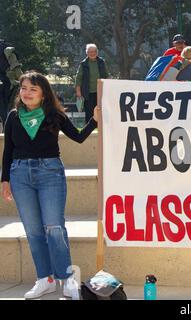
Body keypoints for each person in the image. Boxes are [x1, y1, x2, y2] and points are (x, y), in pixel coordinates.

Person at [1, 71, 100, 299]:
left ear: (44, 94)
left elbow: (78, 137)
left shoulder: (54, 115)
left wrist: (94, 119)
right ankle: (44, 279)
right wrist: (5, 179)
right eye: (24, 88)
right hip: (20, 175)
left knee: (54, 228)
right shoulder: (13, 117)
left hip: (50, 174)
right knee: (33, 231)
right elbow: (8, 151)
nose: (26, 93)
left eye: (33, 89)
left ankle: (66, 279)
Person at [75, 43, 108, 124]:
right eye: (90, 52)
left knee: (100, 111)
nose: (92, 53)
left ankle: (100, 129)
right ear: (87, 53)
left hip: (100, 92)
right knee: (89, 113)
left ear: (97, 52)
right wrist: (78, 92)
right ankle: (89, 131)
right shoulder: (83, 64)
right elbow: (78, 78)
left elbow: (107, 76)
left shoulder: (101, 62)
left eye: (94, 51)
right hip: (87, 93)